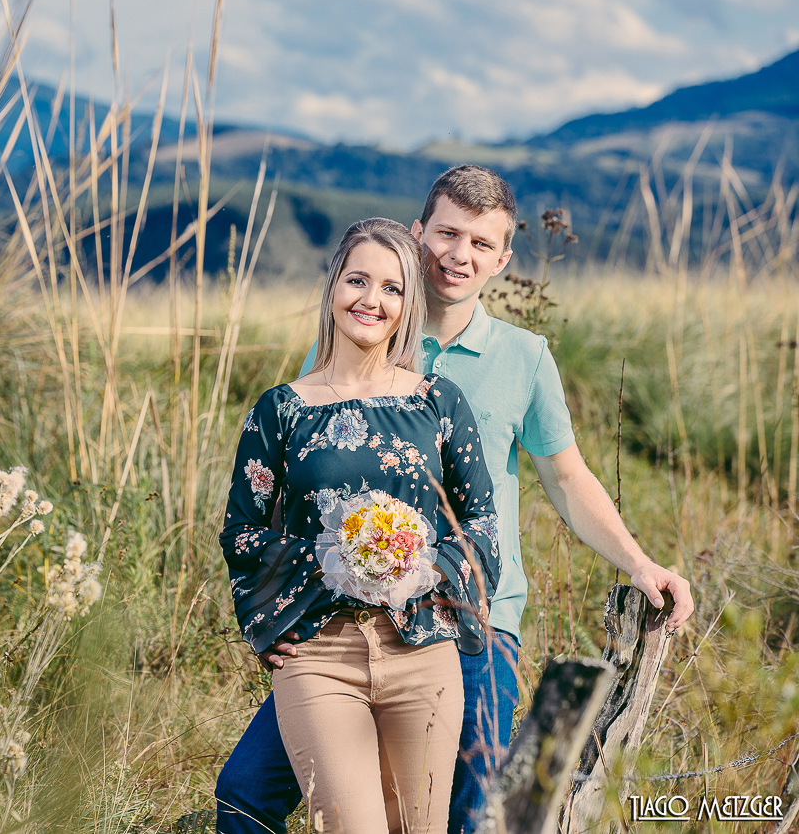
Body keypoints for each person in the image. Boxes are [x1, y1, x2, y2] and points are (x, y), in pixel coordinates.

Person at [215, 165, 696, 834]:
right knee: (245, 795)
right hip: (339, 626)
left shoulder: (523, 357)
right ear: (418, 235)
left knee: (470, 813)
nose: (457, 255)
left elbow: (568, 476)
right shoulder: (358, 333)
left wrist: (639, 563)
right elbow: (291, 492)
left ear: (503, 259)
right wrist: (274, 608)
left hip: (470, 620)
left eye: (479, 243)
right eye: (446, 233)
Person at [220, 217, 502, 834]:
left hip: (423, 650)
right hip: (320, 655)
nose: (371, 301)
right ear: (332, 287)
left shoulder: (438, 402)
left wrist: (422, 569)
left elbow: (481, 522)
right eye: (358, 280)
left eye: (392, 288)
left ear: (408, 305)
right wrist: (301, 590)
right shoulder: (281, 409)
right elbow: (241, 531)